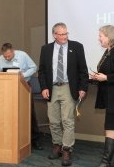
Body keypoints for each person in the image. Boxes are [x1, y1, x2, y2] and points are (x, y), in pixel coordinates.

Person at [38, 22, 89, 166]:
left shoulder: (77, 47)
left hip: (68, 87)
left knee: (67, 121)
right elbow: (41, 71)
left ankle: (67, 149)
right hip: (52, 88)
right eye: (61, 34)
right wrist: (43, 87)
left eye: (66, 33)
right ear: (54, 35)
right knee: (53, 121)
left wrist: (83, 87)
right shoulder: (46, 49)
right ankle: (57, 146)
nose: (65, 36)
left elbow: (83, 70)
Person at [90, 25, 114, 167]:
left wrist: (107, 78)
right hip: (112, 95)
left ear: (109, 36)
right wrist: (96, 77)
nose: (99, 38)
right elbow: (107, 72)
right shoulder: (108, 51)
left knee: (110, 127)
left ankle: (106, 162)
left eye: (101, 36)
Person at [0, 43, 43, 150]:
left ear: (13, 51)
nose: (7, 58)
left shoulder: (23, 55)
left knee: (29, 113)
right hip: (7, 89)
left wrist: (23, 75)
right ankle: (14, 140)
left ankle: (35, 139)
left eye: (9, 56)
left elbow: (34, 67)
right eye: (5, 56)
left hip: (24, 86)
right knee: (10, 115)